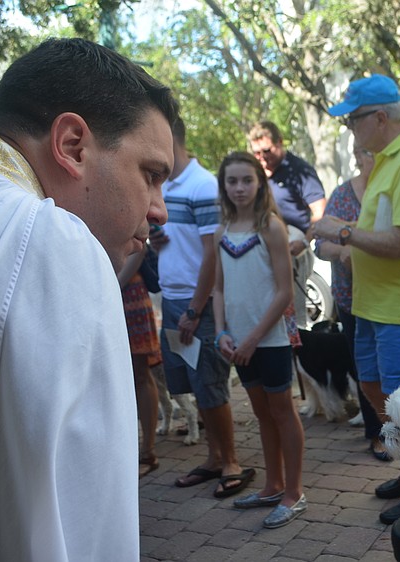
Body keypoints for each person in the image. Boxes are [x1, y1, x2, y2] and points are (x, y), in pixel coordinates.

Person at [0, 38, 179, 561]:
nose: (158, 209)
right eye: (150, 175)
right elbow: (82, 528)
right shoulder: (52, 244)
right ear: (73, 144)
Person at [314, 74, 400, 524]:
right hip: (373, 309)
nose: (350, 129)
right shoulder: (388, 160)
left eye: (353, 121)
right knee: (378, 395)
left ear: (379, 118)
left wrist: (342, 231)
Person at [153, 118, 250, 497]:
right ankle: (213, 458)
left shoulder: (202, 184)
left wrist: (195, 309)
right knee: (191, 383)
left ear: (168, 137)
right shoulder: (167, 185)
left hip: (200, 304)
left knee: (210, 385)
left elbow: (213, 253)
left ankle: (231, 462)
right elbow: (181, 242)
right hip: (174, 299)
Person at [213, 152, 306, 529]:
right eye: (231, 181)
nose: (239, 188)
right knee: (262, 413)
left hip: (269, 342)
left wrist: (252, 338)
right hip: (238, 342)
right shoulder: (222, 229)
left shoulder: (271, 226)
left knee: (283, 412)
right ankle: (272, 484)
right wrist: (221, 331)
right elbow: (218, 289)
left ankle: (294, 493)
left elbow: (284, 292)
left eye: (246, 180)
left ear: (259, 184)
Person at [313, 143, 386, 461]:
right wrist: (342, 251)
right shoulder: (343, 194)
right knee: (363, 366)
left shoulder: (390, 191)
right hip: (351, 298)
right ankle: (377, 434)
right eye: (366, 153)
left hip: (388, 296)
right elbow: (320, 244)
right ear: (357, 157)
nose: (370, 158)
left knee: (390, 366)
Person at [248, 121, 326, 327]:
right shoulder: (253, 174)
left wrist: (305, 242)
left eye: (267, 150)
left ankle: (296, 349)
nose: (262, 157)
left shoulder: (300, 170)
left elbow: (320, 212)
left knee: (292, 316)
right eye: (257, 153)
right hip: (260, 246)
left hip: (293, 245)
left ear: (280, 143)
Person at [117, 245, 162, 478]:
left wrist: (113, 284)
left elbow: (139, 246)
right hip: (107, 290)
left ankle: (148, 451)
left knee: (140, 374)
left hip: (128, 293)